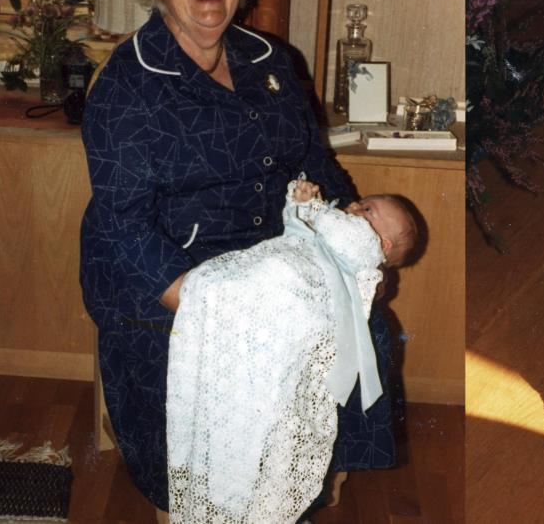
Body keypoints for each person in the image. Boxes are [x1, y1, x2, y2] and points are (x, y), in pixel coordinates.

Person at [79, 0, 398, 515]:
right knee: (192, 358)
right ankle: (199, 501)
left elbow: (315, 164)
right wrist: (208, 307)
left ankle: (306, 480)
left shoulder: (270, 58)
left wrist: (356, 248)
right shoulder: (127, 82)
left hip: (275, 249)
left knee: (361, 321)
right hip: (173, 264)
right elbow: (124, 225)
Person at [166, 178, 419, 522]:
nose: (353, 206)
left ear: (382, 244)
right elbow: (295, 228)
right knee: (237, 274)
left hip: (297, 281)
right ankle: (220, 295)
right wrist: (298, 206)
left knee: (277, 280)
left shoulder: (361, 244)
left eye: (366, 209)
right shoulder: (337, 230)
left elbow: (346, 236)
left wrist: (315, 208)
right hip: (278, 260)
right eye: (360, 203)